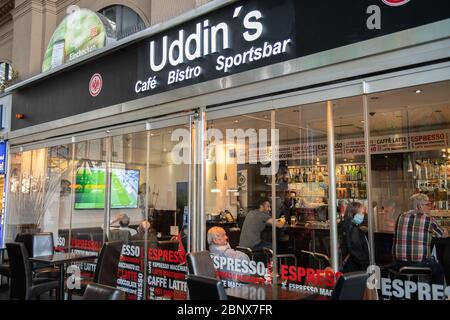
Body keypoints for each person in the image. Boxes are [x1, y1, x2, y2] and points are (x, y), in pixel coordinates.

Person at [392, 193, 448, 285]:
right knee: (439, 270)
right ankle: (437, 295)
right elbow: (444, 234)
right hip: (420, 263)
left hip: (399, 263)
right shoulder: (428, 219)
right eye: (427, 205)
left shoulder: (401, 216)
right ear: (419, 206)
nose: (430, 207)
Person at [342, 202, 370, 272]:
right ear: (354, 213)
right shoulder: (353, 229)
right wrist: (365, 263)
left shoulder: (348, 225)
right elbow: (356, 249)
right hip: (356, 267)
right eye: (362, 213)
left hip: (352, 265)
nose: (363, 216)